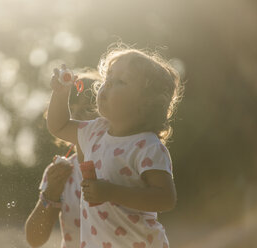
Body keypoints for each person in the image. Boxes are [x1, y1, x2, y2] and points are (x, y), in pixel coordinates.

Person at [46, 44, 183, 247]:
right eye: (108, 78)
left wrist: (111, 192)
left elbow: (165, 198)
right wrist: (61, 93)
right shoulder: (95, 131)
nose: (108, 84)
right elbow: (59, 126)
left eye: (120, 81)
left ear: (145, 103)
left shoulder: (147, 146)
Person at [25, 73, 100, 248]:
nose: (75, 116)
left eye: (88, 108)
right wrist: (51, 193)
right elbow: (34, 239)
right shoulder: (62, 172)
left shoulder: (119, 161)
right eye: (70, 109)